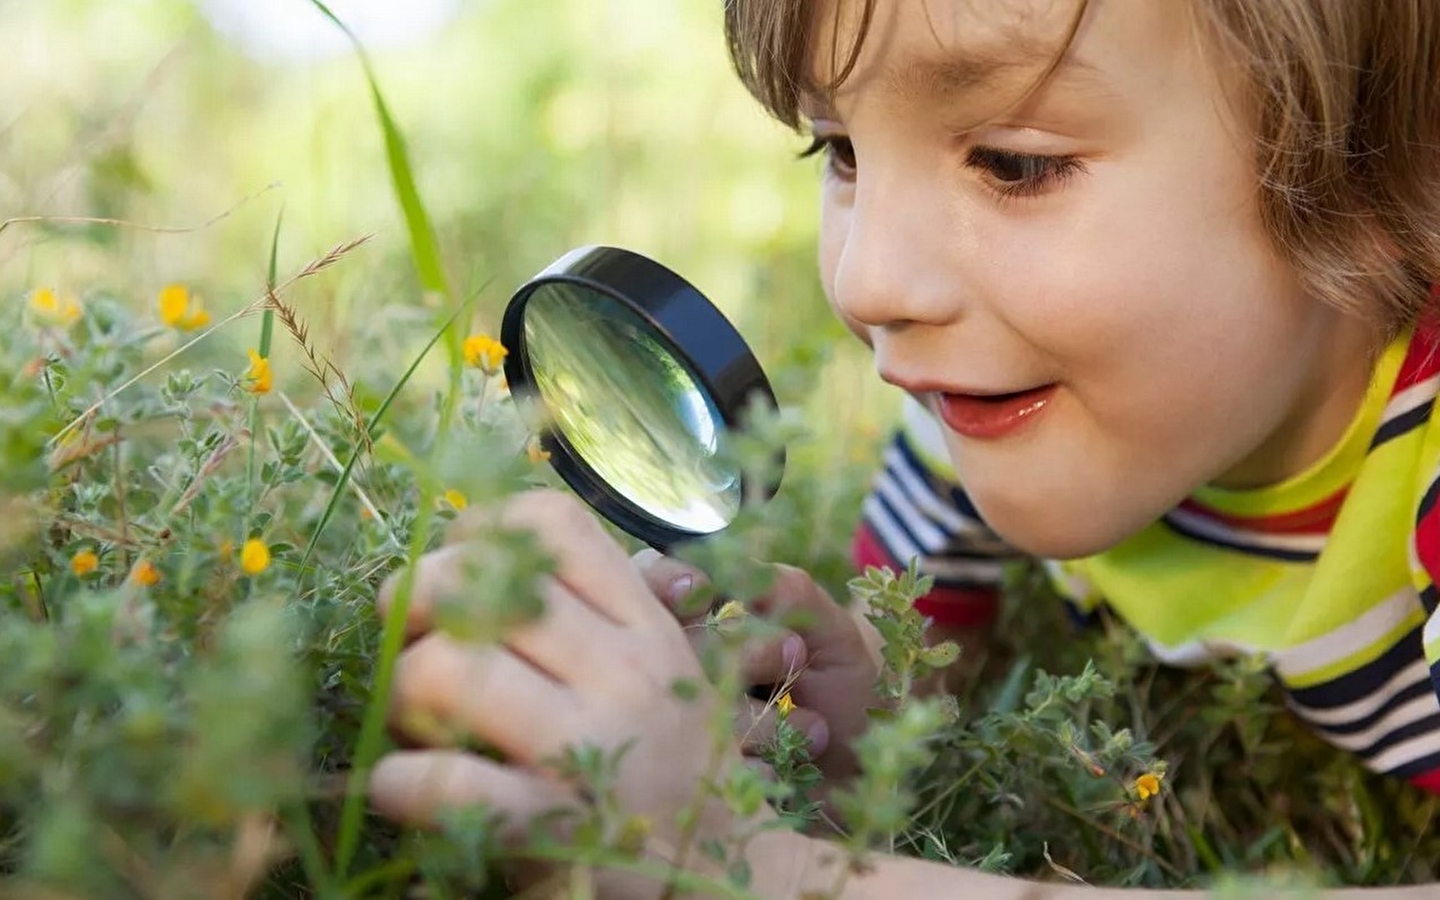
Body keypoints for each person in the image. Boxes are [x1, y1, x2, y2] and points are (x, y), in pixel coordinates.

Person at [367, 0, 1440, 896]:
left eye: (1015, 164)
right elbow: (929, 710)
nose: (867, 282)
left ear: (1389, 172)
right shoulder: (979, 411)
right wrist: (857, 742)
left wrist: (744, 870)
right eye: (838, 150)